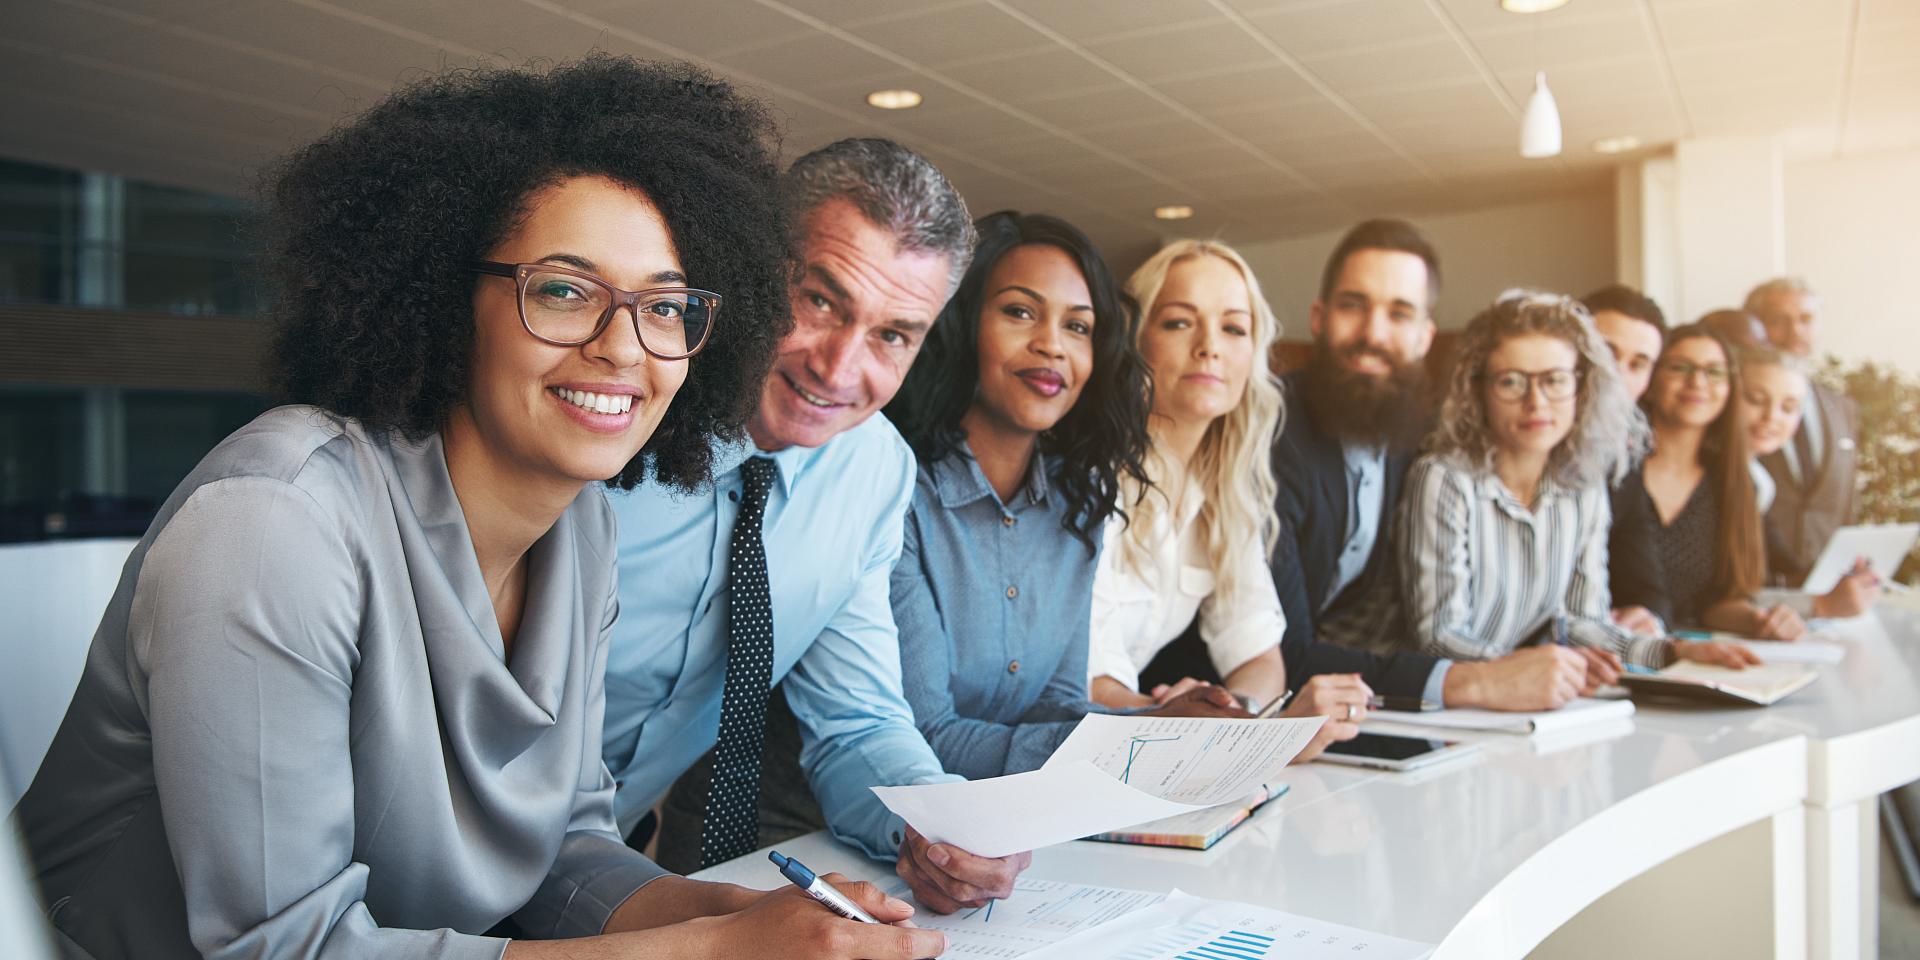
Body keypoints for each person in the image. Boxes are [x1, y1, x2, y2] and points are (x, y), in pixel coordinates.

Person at [17, 58, 944, 960]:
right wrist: (706, 954)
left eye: (664, 308)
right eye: (565, 291)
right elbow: (282, 947)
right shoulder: (274, 523)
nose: (624, 347)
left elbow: (562, 850)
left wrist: (751, 918)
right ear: (443, 298)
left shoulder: (580, 528)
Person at [603, 138, 1030, 914]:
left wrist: (938, 825)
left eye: (892, 335)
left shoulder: (872, 472)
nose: (837, 370)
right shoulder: (612, 410)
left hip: (603, 862)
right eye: (822, 302)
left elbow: (857, 719)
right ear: (756, 266)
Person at [883, 211, 1242, 780]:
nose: (1052, 345)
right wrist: (1140, 740)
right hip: (836, 834)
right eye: (1020, 312)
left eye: (1077, 327)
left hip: (997, 822)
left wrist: (1161, 721)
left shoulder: (1079, 501)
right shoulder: (897, 492)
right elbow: (925, 735)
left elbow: (1054, 704)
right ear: (963, 323)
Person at [1272, 221, 1597, 715]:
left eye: (1398, 314)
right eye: (1352, 306)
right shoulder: (1272, 433)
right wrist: (1478, 681)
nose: (1373, 334)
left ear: (1425, 337)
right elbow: (1281, 651)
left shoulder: (1416, 434)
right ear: (1318, 317)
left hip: (1340, 707)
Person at [1086, 239, 1363, 760]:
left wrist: (1237, 713)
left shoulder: (1225, 491)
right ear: (1135, 341)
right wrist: (1205, 726)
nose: (1209, 345)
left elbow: (1260, 655)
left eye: (1234, 328)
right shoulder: (1088, 479)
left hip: (1140, 746)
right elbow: (1084, 679)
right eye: (1179, 322)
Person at [1388, 293, 1757, 675]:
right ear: (1477, 390)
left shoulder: (1585, 484)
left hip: (1521, 697)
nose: (1537, 402)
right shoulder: (1443, 478)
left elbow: (1583, 623)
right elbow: (1437, 636)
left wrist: (1673, 653)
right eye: (1511, 382)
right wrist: (1538, 667)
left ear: (1583, 389)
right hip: (1431, 703)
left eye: (1555, 380)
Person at [1618, 323, 1814, 639]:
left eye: (1714, 372)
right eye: (1680, 368)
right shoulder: (1616, 473)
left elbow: (1718, 602)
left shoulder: (1733, 485)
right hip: (1606, 661)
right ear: (1651, 382)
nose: (1698, 382)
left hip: (1696, 658)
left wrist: (1760, 621)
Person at [1737, 345, 1880, 616]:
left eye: (1789, 407)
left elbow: (1780, 570)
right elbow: (1715, 600)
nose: (1772, 417)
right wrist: (1819, 605)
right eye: (1756, 400)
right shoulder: (1713, 481)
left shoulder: (1759, 480)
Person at [1744, 277, 1861, 583]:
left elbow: (1846, 506)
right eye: (1779, 321)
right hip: (1752, 581)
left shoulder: (1843, 408)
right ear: (1755, 327)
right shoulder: (1733, 404)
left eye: (1806, 319)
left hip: (1825, 587)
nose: (1795, 332)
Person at [1578, 283, 1669, 636]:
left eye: (1638, 364)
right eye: (1605, 353)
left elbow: (1647, 584)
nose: (1618, 376)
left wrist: (1645, 615)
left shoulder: (1623, 458)